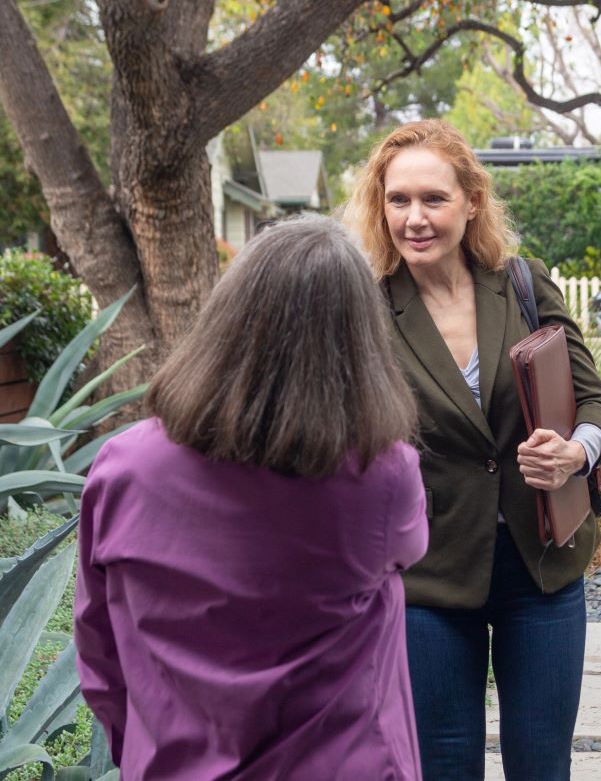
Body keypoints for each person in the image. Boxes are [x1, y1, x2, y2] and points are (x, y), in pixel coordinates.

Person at [74, 215, 428, 781]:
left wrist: (142, 747)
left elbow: (99, 648)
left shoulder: (123, 467)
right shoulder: (383, 475)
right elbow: (407, 553)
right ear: (360, 343)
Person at [343, 119, 601, 780]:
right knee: (443, 766)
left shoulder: (522, 283)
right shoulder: (365, 309)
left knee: (542, 765)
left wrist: (575, 453)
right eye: (398, 199)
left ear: (471, 200)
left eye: (433, 199)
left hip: (542, 568)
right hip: (429, 576)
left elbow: (595, 401)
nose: (414, 218)